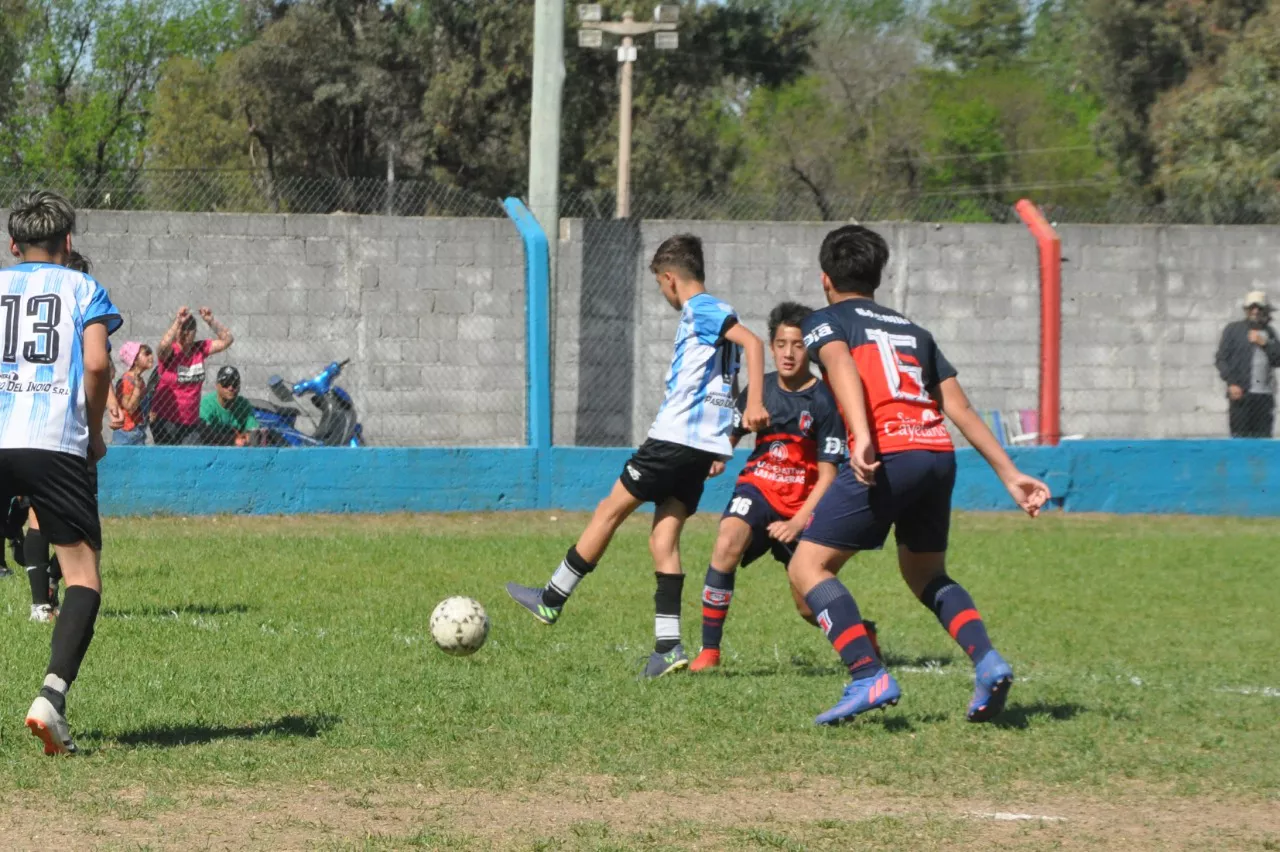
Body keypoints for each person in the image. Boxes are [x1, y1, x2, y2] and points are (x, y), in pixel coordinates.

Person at [784, 225, 1049, 726]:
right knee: (926, 574)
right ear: (878, 278)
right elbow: (961, 407)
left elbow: (839, 364)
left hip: (890, 452)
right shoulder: (914, 331)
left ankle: (867, 674)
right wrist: (1010, 473)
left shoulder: (825, 321)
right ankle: (988, 660)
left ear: (826, 278)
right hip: (936, 453)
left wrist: (861, 434)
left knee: (807, 569)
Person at [506, 234, 769, 677]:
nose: (663, 294)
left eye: (660, 286)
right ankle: (668, 647)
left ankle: (551, 599)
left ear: (670, 279)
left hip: (671, 443)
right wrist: (725, 438)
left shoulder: (702, 308)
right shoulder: (713, 318)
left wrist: (756, 404)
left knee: (609, 510)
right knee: (663, 539)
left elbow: (755, 344)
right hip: (700, 449)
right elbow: (721, 384)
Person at [690, 301, 881, 672]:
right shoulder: (759, 389)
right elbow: (731, 434)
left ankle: (863, 632)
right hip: (758, 489)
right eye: (780, 344)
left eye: (797, 344)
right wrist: (719, 455)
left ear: (809, 348)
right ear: (772, 345)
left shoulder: (825, 400)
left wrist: (796, 524)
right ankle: (709, 652)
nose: (788, 354)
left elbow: (827, 476)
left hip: (803, 507)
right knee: (727, 540)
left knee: (808, 607)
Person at [1, 189, 122, 754]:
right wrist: (93, 431)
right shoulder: (83, 286)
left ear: (13, 245)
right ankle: (50, 698)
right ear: (68, 243)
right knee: (81, 576)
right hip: (54, 442)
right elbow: (96, 362)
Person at [151, 306, 233, 445]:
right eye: (182, 328)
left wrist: (211, 321)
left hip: (190, 422)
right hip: (166, 420)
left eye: (190, 329)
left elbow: (228, 340)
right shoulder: (171, 352)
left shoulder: (199, 349)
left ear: (195, 332)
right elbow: (162, 348)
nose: (185, 332)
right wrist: (177, 322)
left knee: (192, 459)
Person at [1215, 291, 1280, 439]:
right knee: (1240, 440)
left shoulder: (1270, 333)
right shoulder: (1233, 330)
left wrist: (1265, 344)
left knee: (1263, 441)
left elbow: (1278, 359)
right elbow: (1221, 359)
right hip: (1241, 396)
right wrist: (1231, 383)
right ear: (1246, 310)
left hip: (1264, 398)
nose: (1255, 311)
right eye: (1252, 307)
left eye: (1259, 307)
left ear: (1265, 310)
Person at [200, 366, 259, 445]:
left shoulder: (243, 404)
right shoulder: (207, 404)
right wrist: (234, 440)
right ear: (217, 385)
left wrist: (248, 437)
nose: (231, 388)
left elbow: (252, 431)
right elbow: (205, 434)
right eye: (226, 383)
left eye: (235, 384)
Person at [113, 342, 154, 445]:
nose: (151, 356)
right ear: (135, 360)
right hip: (127, 433)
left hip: (138, 430)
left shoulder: (139, 380)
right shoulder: (127, 381)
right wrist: (136, 388)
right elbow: (129, 408)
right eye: (146, 354)